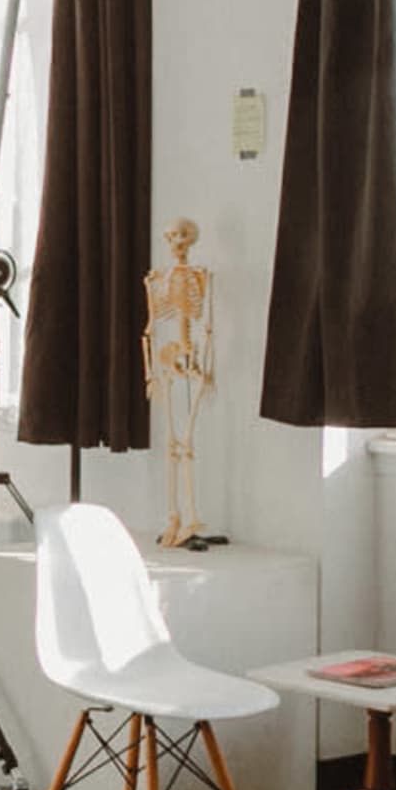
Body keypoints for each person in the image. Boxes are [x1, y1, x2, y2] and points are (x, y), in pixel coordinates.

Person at [143, 217, 213, 546]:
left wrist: (205, 364)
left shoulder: (200, 276)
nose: (176, 243)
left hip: (193, 361)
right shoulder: (159, 279)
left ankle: (192, 518)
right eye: (171, 236)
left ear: (191, 239)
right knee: (173, 442)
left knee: (187, 443)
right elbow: (149, 329)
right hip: (168, 362)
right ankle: (174, 516)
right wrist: (149, 374)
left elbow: (206, 326)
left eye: (182, 236)